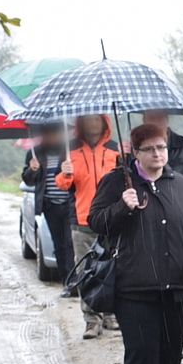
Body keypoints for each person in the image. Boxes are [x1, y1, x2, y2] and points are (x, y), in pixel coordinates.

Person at [87, 124, 183, 364]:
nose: (158, 154)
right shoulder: (118, 182)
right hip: (134, 288)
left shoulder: (179, 183)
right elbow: (95, 220)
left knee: (171, 350)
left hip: (177, 285)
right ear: (134, 153)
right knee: (141, 354)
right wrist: (122, 206)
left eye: (162, 147)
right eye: (150, 149)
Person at [56, 114, 121, 339]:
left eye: (97, 118)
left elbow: (125, 179)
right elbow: (63, 184)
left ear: (104, 122)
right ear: (80, 123)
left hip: (111, 220)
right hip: (81, 219)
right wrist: (65, 174)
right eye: (88, 119)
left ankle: (111, 314)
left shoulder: (115, 149)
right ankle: (91, 320)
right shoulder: (70, 149)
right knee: (86, 272)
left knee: (113, 269)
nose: (92, 122)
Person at [22, 124, 78, 294]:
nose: (51, 136)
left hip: (70, 205)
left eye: (55, 132)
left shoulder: (70, 151)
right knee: (59, 245)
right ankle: (67, 283)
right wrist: (32, 170)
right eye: (48, 133)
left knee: (70, 244)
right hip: (49, 205)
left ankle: (76, 280)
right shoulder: (35, 153)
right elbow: (28, 181)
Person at [141, 109, 183, 220]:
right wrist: (122, 157)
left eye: (159, 118)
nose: (155, 123)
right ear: (144, 121)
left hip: (181, 219)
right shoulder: (136, 151)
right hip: (148, 221)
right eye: (151, 119)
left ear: (167, 119)